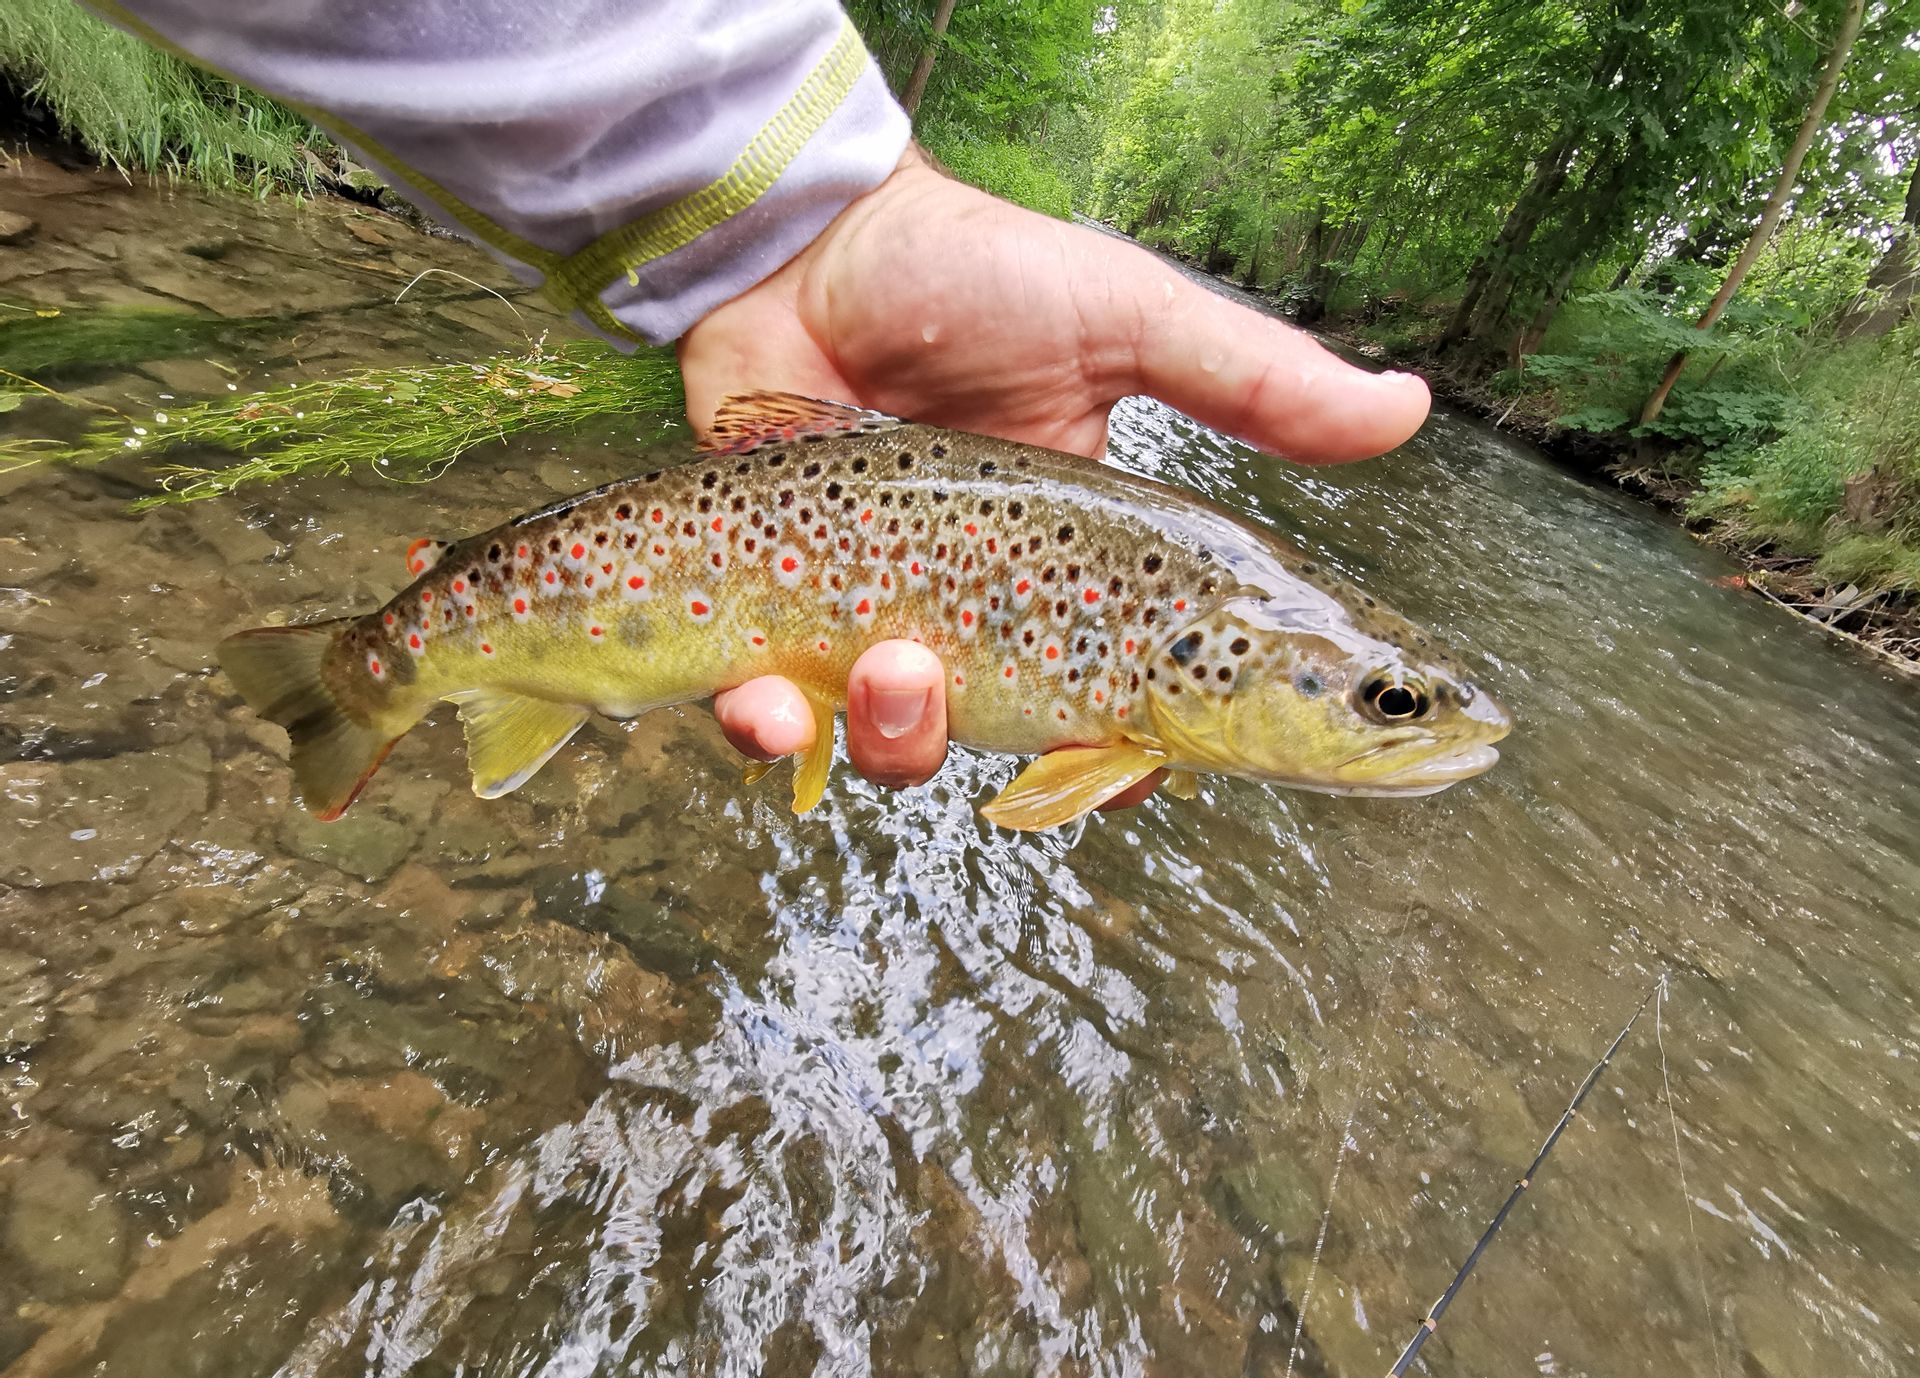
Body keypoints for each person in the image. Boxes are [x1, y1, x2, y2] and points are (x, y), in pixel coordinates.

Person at [93, 0, 1431, 809]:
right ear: (1219, 657)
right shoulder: (1177, 638)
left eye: (1388, 700)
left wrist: (802, 218)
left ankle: (420, 673)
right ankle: (368, 681)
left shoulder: (1174, 638)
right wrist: (812, 218)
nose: (1402, 719)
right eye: (1387, 701)